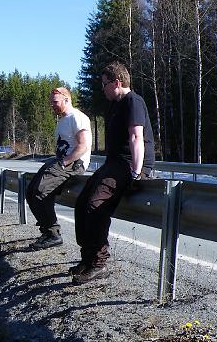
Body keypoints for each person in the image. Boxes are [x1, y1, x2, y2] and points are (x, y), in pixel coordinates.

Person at [72, 61, 155, 284]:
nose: (103, 88)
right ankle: (88, 258)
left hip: (128, 164)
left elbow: (137, 137)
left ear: (117, 82)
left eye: (105, 84)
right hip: (114, 163)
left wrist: (137, 172)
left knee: (95, 205)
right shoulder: (116, 105)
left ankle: (98, 264)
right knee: (81, 204)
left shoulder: (133, 101)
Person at [26, 87, 92, 249]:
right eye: (51, 103)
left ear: (66, 100)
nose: (52, 106)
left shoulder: (77, 117)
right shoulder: (63, 120)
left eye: (55, 102)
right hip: (61, 161)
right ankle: (48, 233)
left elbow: (84, 145)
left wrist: (65, 162)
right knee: (30, 191)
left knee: (41, 190)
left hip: (73, 163)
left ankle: (53, 234)